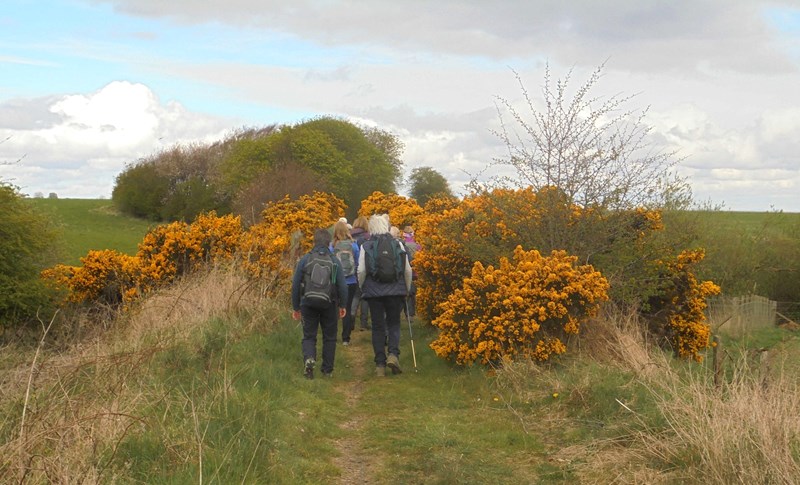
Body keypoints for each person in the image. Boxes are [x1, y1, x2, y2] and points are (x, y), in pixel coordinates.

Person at [357, 214, 413, 377]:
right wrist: (407, 289)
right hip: (395, 291)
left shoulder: (366, 246)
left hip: (374, 292)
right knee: (394, 323)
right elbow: (407, 270)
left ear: (371, 228)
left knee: (378, 326)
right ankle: (393, 355)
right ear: (387, 226)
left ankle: (380, 364)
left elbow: (361, 270)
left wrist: (363, 288)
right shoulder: (398, 244)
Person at [291, 228, 348, 379]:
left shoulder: (305, 259)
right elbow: (342, 285)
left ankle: (309, 359)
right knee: (329, 337)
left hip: (308, 303)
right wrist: (343, 305)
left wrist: (296, 307)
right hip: (329, 303)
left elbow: (296, 284)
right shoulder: (334, 261)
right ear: (329, 243)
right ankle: (327, 370)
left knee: (309, 336)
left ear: (314, 242)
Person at [331, 220, 360, 346]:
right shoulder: (354, 245)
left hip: (336, 281)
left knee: (334, 308)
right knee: (346, 308)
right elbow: (358, 262)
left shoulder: (332, 246)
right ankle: (346, 338)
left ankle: (332, 335)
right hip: (351, 281)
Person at [349, 216, 371, 330]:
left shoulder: (349, 236)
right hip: (364, 268)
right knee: (364, 296)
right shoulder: (368, 237)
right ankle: (363, 323)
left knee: (355, 295)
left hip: (350, 270)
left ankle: (351, 316)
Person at [402, 225, 421, 321]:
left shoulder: (402, 245)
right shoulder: (418, 246)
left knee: (408, 292)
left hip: (406, 271)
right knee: (414, 292)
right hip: (416, 272)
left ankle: (408, 312)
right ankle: (412, 312)